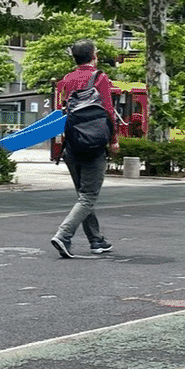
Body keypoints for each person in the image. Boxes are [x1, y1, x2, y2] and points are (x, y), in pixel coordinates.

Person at [50, 39, 120, 259]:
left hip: (72, 145)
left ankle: (96, 241)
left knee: (84, 196)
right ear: (93, 55)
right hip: (94, 144)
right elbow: (108, 111)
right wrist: (114, 140)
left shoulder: (67, 80)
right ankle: (64, 235)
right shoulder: (100, 78)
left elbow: (61, 112)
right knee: (88, 196)